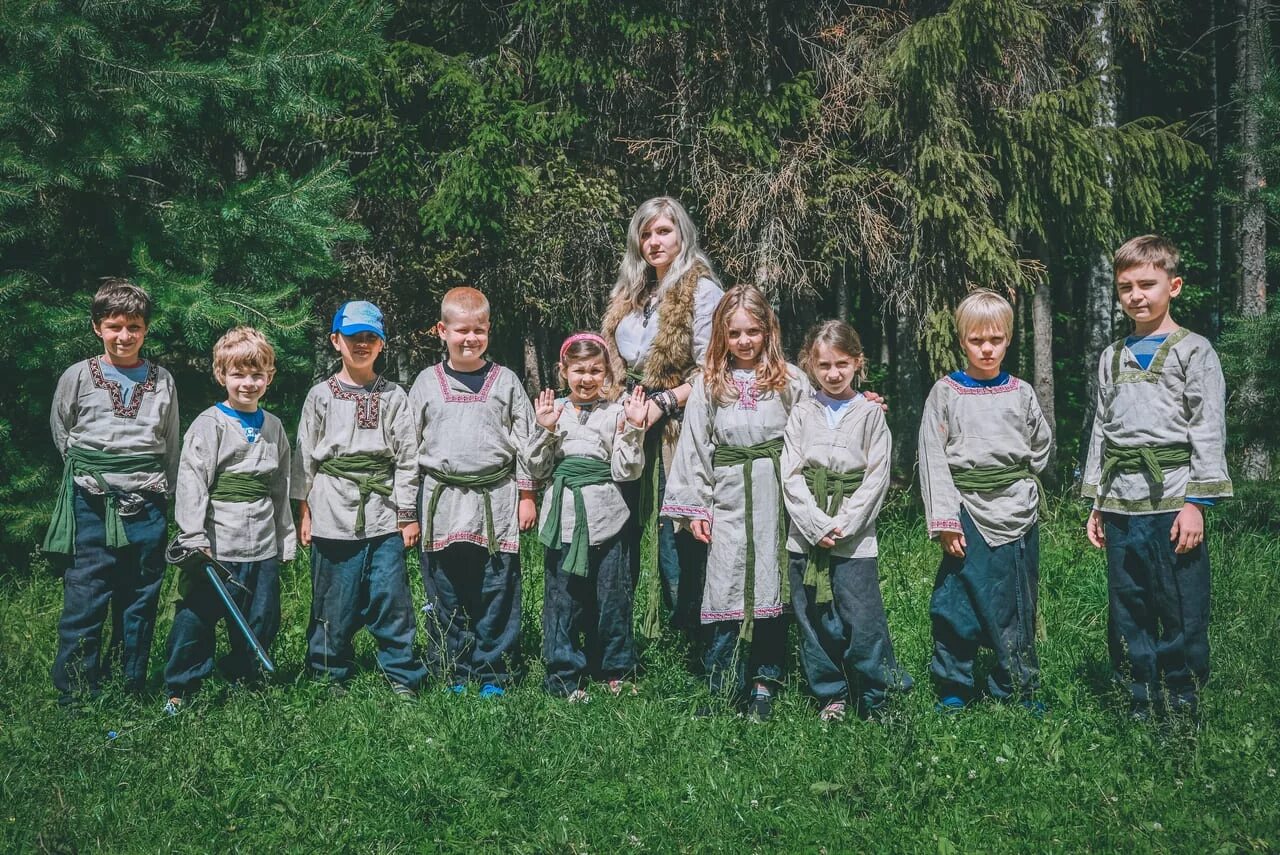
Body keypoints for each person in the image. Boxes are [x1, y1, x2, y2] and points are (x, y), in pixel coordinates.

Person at [1082, 235, 1232, 721]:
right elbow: (1101, 430)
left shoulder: (1194, 351)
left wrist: (1197, 503)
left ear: (1175, 285)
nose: (1136, 295)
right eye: (1126, 287)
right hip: (1122, 503)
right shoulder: (1112, 356)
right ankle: (1139, 696)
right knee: (1129, 605)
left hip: (1172, 502)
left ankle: (1183, 698)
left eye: (1148, 284)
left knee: (1180, 604)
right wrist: (1097, 501)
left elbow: (1208, 427)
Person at [661, 285, 810, 720]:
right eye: (735, 333)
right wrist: (694, 508)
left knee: (771, 582)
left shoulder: (791, 380)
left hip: (774, 493)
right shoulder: (709, 383)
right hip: (726, 494)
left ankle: (765, 680)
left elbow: (813, 430)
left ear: (768, 332)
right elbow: (694, 446)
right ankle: (723, 680)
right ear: (722, 335)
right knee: (724, 585)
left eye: (753, 332)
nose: (744, 341)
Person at [45, 279, 180, 705]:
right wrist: (96, 473)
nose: (124, 336)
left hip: (148, 504)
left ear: (146, 329)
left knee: (139, 597)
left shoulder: (162, 380)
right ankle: (77, 693)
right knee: (86, 597)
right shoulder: (79, 376)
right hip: (91, 503)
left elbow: (171, 443)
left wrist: (165, 496)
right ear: (97, 327)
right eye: (115, 326)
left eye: (134, 327)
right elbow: (62, 432)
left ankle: (129, 685)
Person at [918, 290, 1053, 714]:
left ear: (1009, 338)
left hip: (1017, 509)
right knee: (958, 600)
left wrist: (1017, 477)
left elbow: (1041, 445)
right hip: (966, 510)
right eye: (977, 341)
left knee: (1016, 600)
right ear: (962, 341)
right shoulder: (946, 393)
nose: (987, 348)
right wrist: (945, 520)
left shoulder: (1021, 392)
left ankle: (1015, 683)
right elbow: (932, 457)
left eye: (995, 339)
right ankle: (954, 683)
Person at [600, 196, 724, 638]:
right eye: (646, 233)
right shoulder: (630, 294)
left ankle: (689, 632)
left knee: (678, 528)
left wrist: (665, 403)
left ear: (682, 235)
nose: (654, 241)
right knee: (620, 525)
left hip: (679, 423)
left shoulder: (703, 291)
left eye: (664, 231)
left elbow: (714, 369)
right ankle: (619, 633)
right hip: (628, 419)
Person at [409, 286, 538, 696]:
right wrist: (406, 513)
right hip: (441, 504)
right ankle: (454, 671)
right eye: (461, 330)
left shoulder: (507, 382)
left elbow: (527, 442)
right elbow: (408, 451)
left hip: (495, 502)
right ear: (441, 331)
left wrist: (527, 495)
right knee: (445, 592)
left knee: (496, 591)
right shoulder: (426, 384)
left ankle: (493, 672)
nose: (470, 339)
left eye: (478, 330)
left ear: (489, 330)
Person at [293, 301, 425, 697]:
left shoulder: (394, 396)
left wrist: (407, 515)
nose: (362, 345)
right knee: (334, 599)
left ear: (381, 344)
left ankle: (401, 674)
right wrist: (304, 511)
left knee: (391, 598)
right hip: (333, 508)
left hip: (384, 513)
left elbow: (407, 459)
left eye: (371, 338)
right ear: (336, 341)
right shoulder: (320, 395)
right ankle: (329, 672)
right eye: (354, 338)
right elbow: (304, 457)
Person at [160, 327, 295, 713]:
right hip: (217, 545)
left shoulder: (274, 427)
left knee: (261, 616)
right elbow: (192, 482)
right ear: (222, 375)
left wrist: (285, 540)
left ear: (269, 377)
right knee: (197, 618)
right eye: (238, 374)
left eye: (257, 375)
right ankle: (182, 686)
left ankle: (246, 678)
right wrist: (193, 536)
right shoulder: (210, 424)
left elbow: (280, 487)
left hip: (261, 544)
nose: (248, 383)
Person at [782, 320, 911, 721]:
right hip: (805, 536)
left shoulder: (870, 414)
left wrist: (846, 524)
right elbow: (790, 473)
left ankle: (877, 695)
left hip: (854, 540)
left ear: (858, 362)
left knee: (862, 618)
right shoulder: (803, 412)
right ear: (810, 365)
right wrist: (816, 525)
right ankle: (831, 694)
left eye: (842, 364)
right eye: (824, 366)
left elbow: (876, 476)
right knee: (814, 619)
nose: (833, 373)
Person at [527, 333, 648, 701]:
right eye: (578, 370)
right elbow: (536, 467)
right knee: (563, 598)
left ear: (607, 373)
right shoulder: (556, 411)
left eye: (596, 370)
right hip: (563, 518)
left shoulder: (614, 413)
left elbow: (627, 472)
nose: (587, 378)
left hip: (607, 518)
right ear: (563, 372)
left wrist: (634, 428)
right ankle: (564, 675)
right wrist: (545, 428)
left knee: (613, 596)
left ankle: (615, 669)